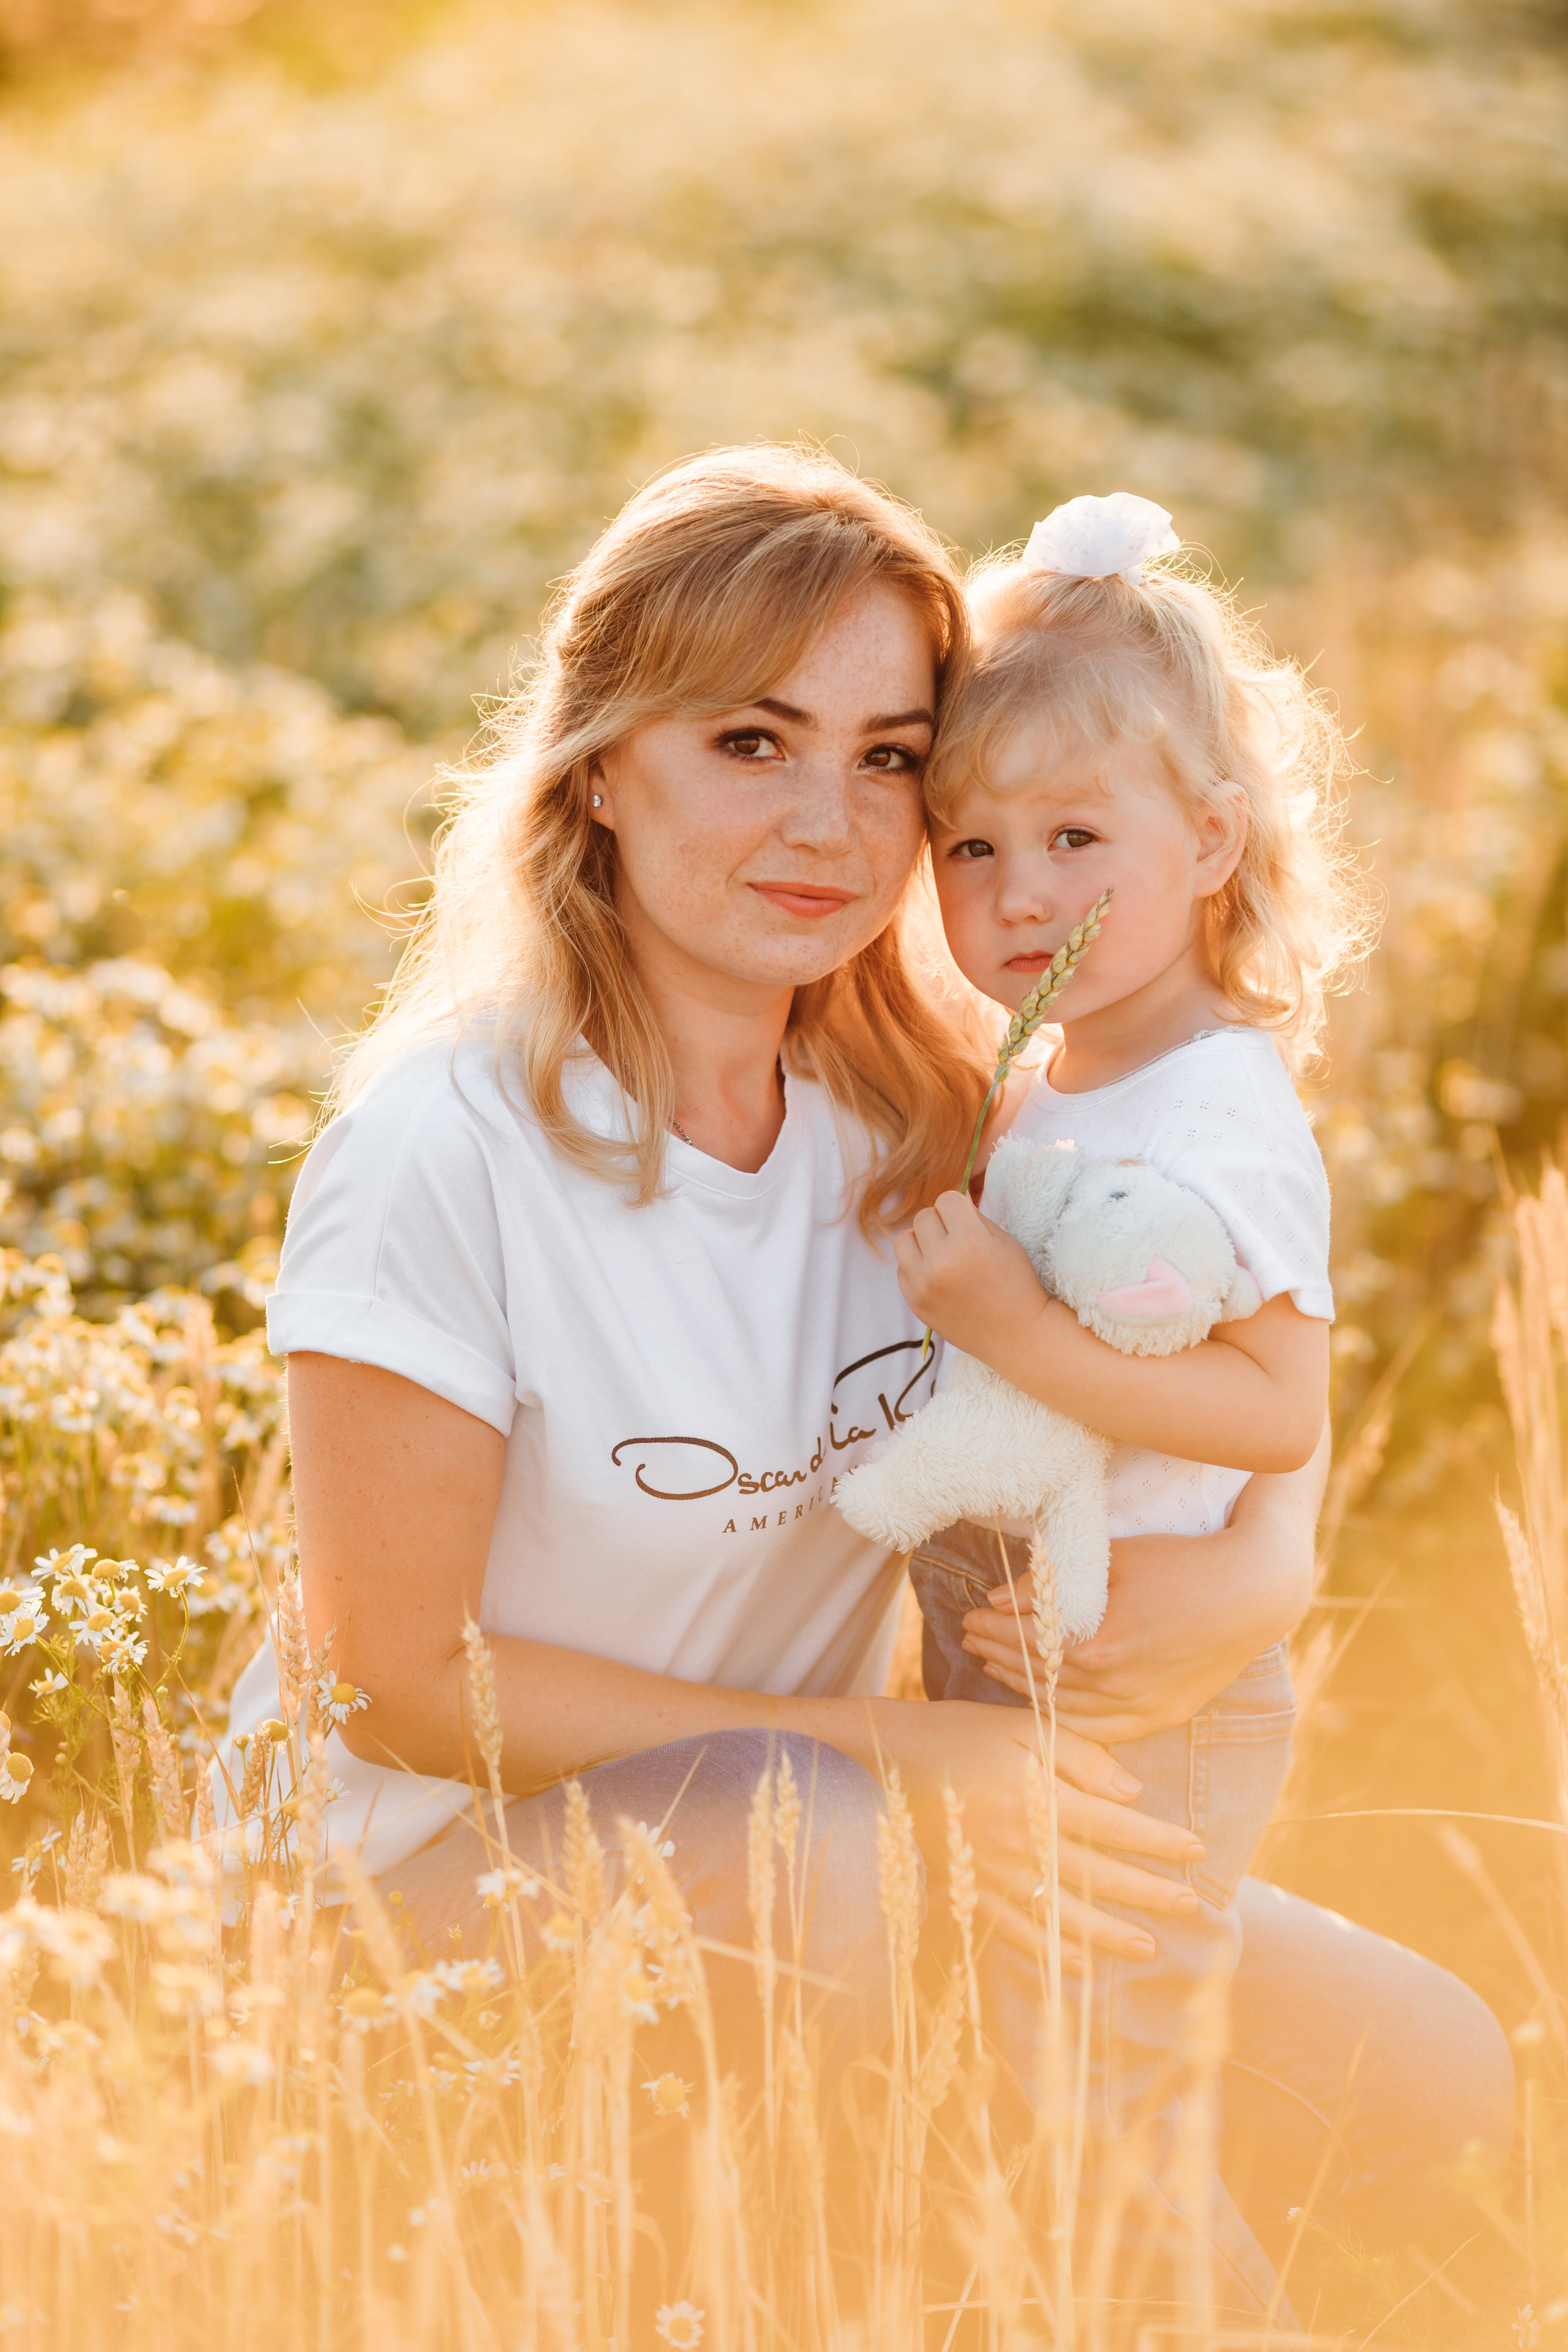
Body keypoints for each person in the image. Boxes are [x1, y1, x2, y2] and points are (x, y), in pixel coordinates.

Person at [213, 446, 1511, 2312]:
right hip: (436, 1911)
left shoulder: (921, 1107)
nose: (829, 819)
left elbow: (1206, 1347)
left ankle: (942, 2170)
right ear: (600, 763)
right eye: (752, 741)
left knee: (1424, 2085)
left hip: (857, 1834)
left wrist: (1276, 1554)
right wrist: (921, 1768)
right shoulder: (449, 1144)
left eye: (891, 756)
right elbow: (408, 1684)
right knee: (818, 1856)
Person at [886, 489, 1355, 2307]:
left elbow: (1270, 1414)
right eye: (971, 848)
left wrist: (1011, 1323)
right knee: (1039, 2093)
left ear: (1212, 839)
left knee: (1107, 2111)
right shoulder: (1069, 1071)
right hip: (1039, 1655)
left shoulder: (1216, 1103)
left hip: (1159, 1684)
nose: (1019, 897)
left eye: (1077, 835)